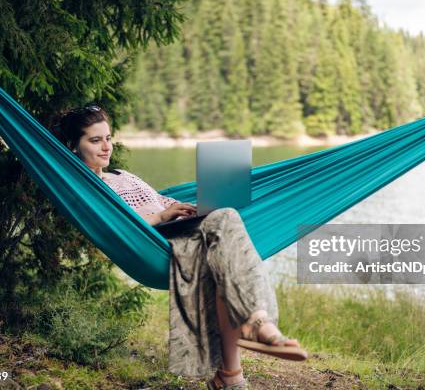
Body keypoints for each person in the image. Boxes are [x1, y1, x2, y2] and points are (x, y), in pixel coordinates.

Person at [52, 105, 307, 389]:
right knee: (227, 219)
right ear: (73, 146)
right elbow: (120, 223)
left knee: (225, 242)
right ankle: (258, 321)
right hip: (159, 243)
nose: (106, 148)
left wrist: (181, 208)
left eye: (108, 138)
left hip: (185, 228)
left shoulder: (123, 176)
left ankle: (230, 376)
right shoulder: (89, 189)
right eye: (95, 140)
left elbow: (162, 201)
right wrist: (162, 216)